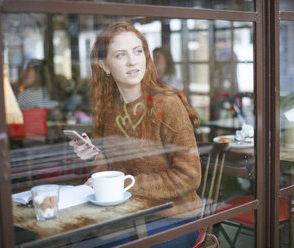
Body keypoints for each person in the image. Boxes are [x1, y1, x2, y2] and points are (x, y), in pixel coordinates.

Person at [70, 22, 202, 247]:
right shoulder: (110, 110)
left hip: (174, 218)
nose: (133, 61)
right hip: (127, 215)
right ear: (105, 65)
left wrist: (128, 185)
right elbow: (112, 174)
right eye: (121, 55)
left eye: (138, 51)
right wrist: (93, 156)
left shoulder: (167, 104)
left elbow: (189, 176)